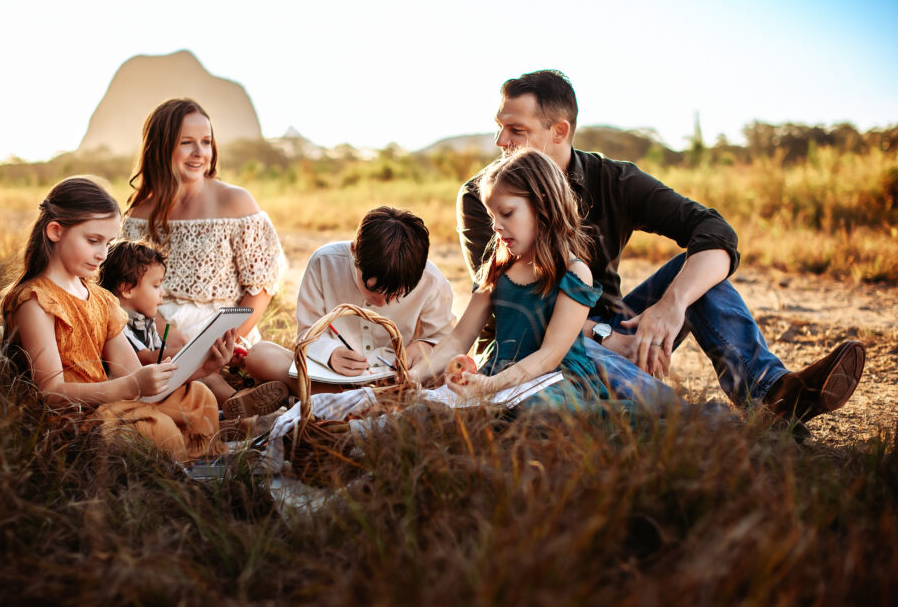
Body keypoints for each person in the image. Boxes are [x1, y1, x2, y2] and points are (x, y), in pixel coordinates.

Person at [457, 70, 865, 422]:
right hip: (540, 347)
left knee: (701, 276)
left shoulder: (615, 181)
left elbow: (714, 232)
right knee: (642, 400)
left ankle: (774, 393)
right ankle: (732, 425)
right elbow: (509, 303)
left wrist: (672, 305)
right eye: (500, 126)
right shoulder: (485, 196)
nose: (499, 141)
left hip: (622, 330)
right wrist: (604, 337)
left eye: (516, 130)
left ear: (559, 131)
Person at [0, 177, 226, 462]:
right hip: (75, 419)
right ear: (55, 231)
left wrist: (201, 367)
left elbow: (132, 373)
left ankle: (202, 460)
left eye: (108, 243)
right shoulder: (35, 301)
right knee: (155, 428)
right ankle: (183, 464)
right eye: (93, 241)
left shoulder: (102, 299)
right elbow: (51, 393)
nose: (102, 254)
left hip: (115, 402)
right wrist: (130, 387)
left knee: (199, 397)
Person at [411, 149, 610, 411]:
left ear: (542, 205)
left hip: (553, 381)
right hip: (499, 375)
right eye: (492, 216)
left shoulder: (574, 272)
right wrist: (413, 376)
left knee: (528, 412)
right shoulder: (497, 268)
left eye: (506, 213)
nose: (495, 226)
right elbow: (459, 338)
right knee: (431, 409)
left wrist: (491, 386)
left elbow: (549, 356)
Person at [121, 98, 286, 347]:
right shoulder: (137, 216)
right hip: (157, 332)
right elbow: (125, 292)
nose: (200, 152)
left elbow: (260, 287)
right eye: (187, 143)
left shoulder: (236, 202)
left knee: (266, 358)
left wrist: (227, 341)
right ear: (161, 148)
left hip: (223, 333)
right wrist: (161, 331)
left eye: (206, 142)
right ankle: (214, 385)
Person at [245, 206, 456, 393]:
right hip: (332, 378)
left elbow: (446, 341)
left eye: (396, 295)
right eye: (373, 289)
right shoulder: (324, 263)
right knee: (260, 354)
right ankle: (355, 401)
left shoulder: (432, 282)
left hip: (399, 381)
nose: (381, 303)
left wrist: (425, 346)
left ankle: (324, 399)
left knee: (445, 375)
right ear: (354, 252)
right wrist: (330, 354)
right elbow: (307, 333)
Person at [97, 239, 288, 418]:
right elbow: (146, 358)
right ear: (127, 289)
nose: (162, 293)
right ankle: (240, 413)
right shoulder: (117, 324)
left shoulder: (144, 322)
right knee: (200, 385)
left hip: (155, 388)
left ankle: (239, 406)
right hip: (135, 398)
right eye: (156, 286)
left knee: (208, 377)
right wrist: (203, 351)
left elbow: (156, 355)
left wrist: (214, 359)